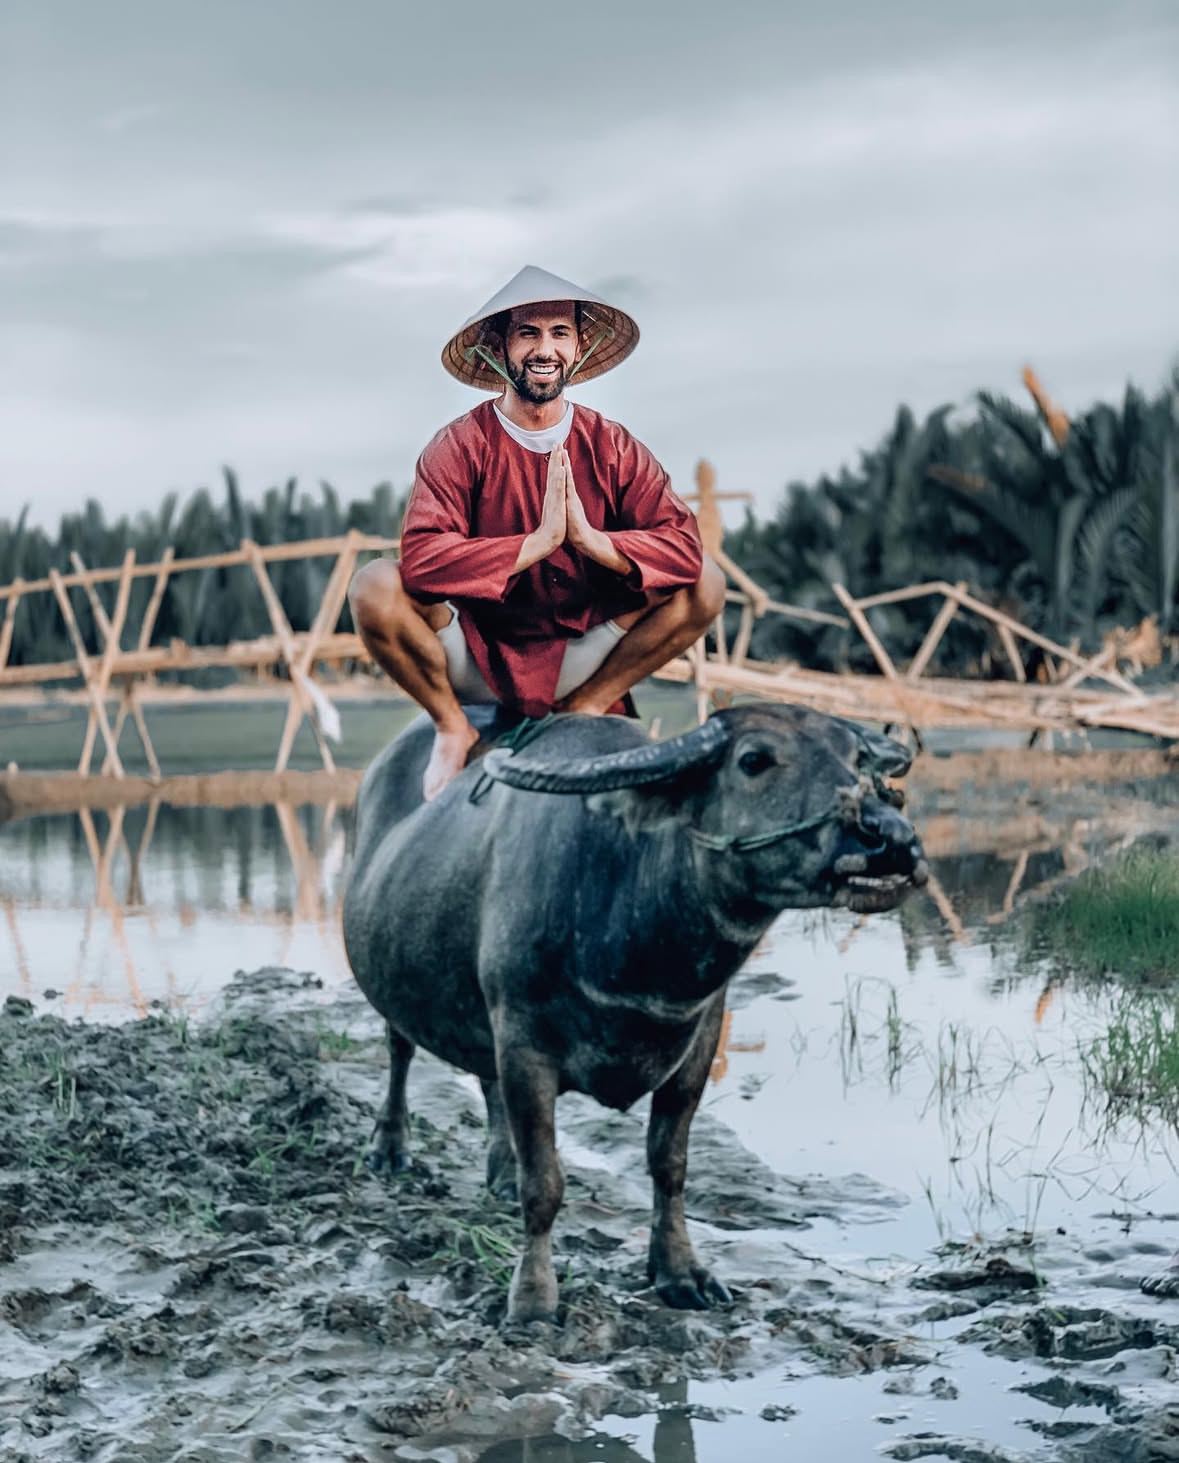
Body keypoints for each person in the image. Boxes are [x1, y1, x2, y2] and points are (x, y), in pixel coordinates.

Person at [349, 265, 725, 799]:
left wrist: (597, 543)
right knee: (375, 585)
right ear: (498, 347)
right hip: (479, 653)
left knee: (704, 583)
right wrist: (534, 545)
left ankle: (587, 707)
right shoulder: (459, 446)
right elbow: (423, 560)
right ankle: (452, 726)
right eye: (528, 333)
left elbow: (684, 548)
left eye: (559, 333)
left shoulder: (612, 445)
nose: (543, 349)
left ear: (579, 347)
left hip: (583, 652)